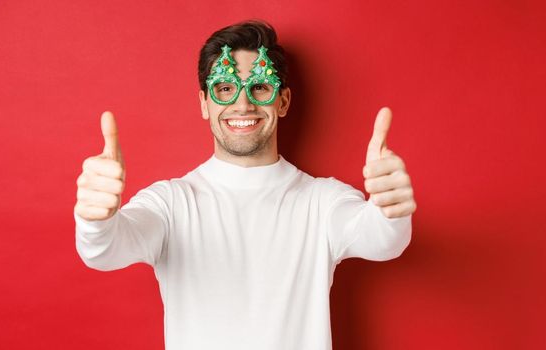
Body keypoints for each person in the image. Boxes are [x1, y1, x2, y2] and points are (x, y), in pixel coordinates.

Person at [73, 20, 416, 350]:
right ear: (204, 104)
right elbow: (104, 251)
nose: (242, 103)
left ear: (282, 101)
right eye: (224, 88)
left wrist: (390, 210)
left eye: (260, 86)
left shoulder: (323, 201)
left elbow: (381, 239)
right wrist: (95, 221)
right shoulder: (171, 203)